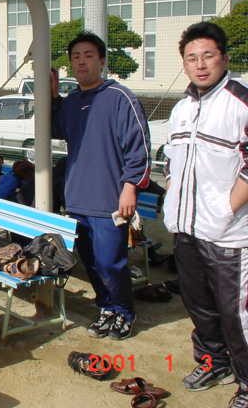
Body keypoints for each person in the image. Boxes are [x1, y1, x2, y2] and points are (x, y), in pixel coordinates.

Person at [162, 22, 248, 405]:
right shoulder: (181, 108)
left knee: (236, 314)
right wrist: (172, 198)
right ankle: (214, 362)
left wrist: (225, 210)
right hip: (186, 229)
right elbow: (171, 159)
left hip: (230, 234)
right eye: (191, 58)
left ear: (224, 58)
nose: (199, 64)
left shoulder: (240, 103)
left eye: (207, 56)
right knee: (199, 306)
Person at [52, 32, 151, 341]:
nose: (81, 62)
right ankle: (106, 308)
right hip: (77, 198)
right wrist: (53, 97)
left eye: (88, 55)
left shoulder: (120, 97)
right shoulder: (71, 102)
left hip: (110, 199)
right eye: (76, 57)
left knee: (111, 262)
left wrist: (130, 187)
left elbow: (139, 148)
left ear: (102, 61)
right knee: (91, 262)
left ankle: (124, 312)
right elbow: (54, 129)